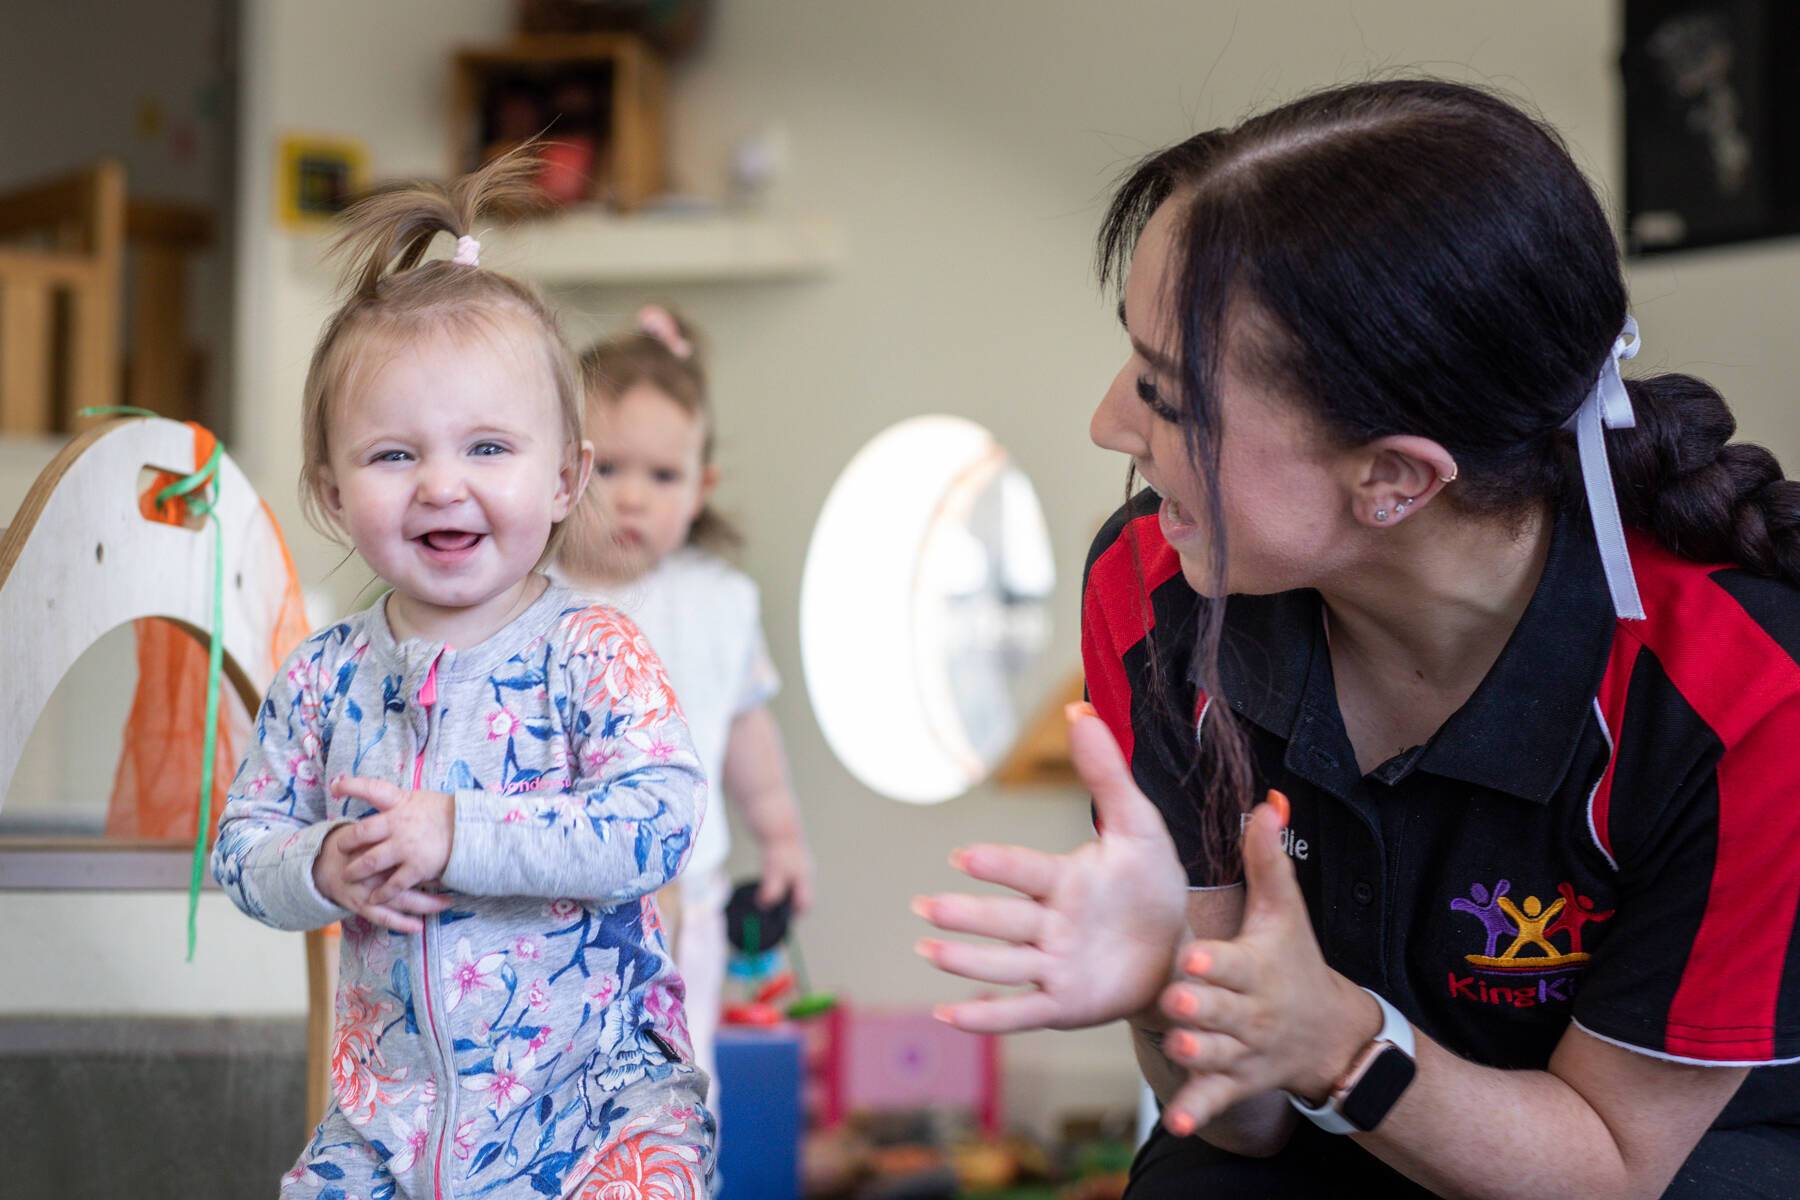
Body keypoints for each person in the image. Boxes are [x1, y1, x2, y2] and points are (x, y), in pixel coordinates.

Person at [913, 79, 1800, 1197]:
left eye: (1170, 399)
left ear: (1393, 478)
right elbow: (1242, 1130)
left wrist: (1340, 1043)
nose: (1109, 427)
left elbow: (1612, 1167)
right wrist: (1162, 982)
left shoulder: (1742, 696)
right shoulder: (1154, 590)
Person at [211, 152, 714, 1200]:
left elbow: (658, 821)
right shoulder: (323, 678)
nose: (443, 484)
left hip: (600, 1115)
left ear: (566, 476)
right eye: (394, 456)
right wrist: (322, 865)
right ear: (332, 492)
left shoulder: (593, 653)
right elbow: (240, 847)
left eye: (489, 447)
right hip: (389, 1122)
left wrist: (459, 832)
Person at [556, 304, 814, 1106]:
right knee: (553, 1097)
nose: (631, 497)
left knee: (673, 1084)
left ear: (701, 488)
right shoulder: (525, 598)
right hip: (546, 903)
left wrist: (781, 835)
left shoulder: (718, 602)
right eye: (608, 468)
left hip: (684, 905)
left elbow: (743, 726)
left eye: (661, 476)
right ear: (560, 470)